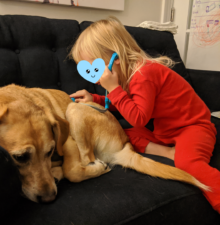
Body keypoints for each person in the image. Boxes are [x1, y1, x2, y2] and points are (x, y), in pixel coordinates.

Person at [68, 16, 220, 214]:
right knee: (123, 136)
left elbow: (139, 117)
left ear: (116, 57)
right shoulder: (128, 75)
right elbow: (122, 104)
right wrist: (95, 99)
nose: (96, 77)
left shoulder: (143, 74)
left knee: (188, 163)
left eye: (96, 69)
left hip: (193, 126)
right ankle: (169, 153)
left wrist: (113, 87)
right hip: (166, 131)